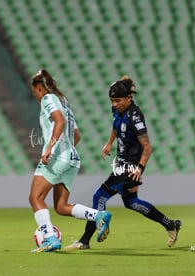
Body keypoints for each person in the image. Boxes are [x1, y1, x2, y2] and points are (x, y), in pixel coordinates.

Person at [65, 76, 181, 250]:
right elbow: (115, 125)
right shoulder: (118, 110)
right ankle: (170, 224)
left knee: (99, 196)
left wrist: (139, 168)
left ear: (129, 98)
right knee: (131, 201)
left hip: (131, 166)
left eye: (118, 100)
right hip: (121, 162)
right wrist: (109, 143)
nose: (114, 104)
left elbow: (147, 147)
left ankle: (85, 240)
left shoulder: (135, 117)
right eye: (112, 101)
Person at [29, 69, 112, 252]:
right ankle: (99, 215)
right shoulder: (64, 101)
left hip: (57, 158)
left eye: (34, 90)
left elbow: (60, 122)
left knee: (35, 198)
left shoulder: (48, 99)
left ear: (40, 88)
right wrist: (66, 152)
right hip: (72, 158)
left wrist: (51, 148)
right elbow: (76, 135)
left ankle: (50, 238)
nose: (34, 94)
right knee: (61, 206)